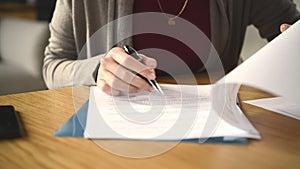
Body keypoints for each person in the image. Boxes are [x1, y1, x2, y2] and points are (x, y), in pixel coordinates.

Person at [43, 0, 300, 96]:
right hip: (116, 131)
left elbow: (290, 28)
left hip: (220, 123)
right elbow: (53, 65)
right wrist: (98, 70)